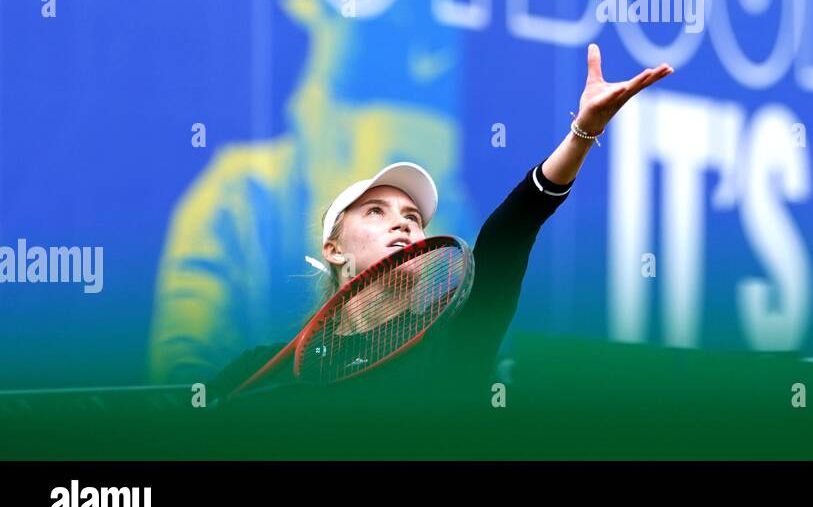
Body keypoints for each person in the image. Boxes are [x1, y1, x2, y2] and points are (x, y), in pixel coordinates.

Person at [207, 44, 672, 407]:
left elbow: (509, 234)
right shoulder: (265, 370)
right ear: (334, 249)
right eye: (376, 212)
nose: (402, 226)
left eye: (413, 218)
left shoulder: (456, 342)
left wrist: (582, 133)